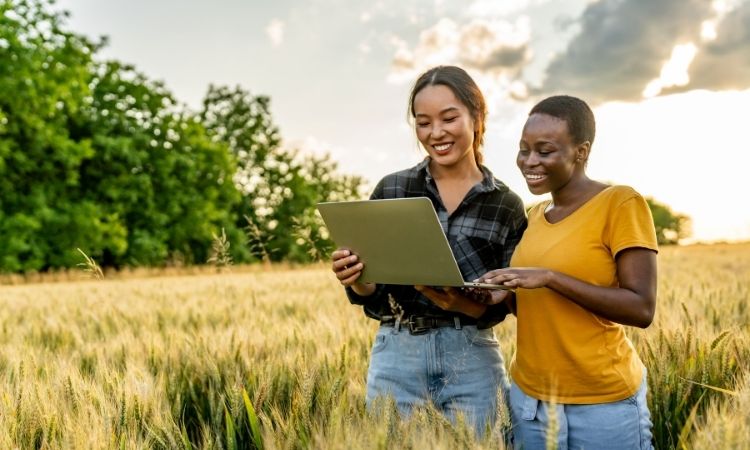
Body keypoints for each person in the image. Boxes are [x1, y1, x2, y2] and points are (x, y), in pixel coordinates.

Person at [330, 65, 527, 436]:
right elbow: (371, 294)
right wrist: (356, 278)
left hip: (472, 354)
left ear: (477, 115)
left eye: (449, 118)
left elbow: (510, 301)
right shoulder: (393, 189)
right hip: (397, 354)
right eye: (423, 123)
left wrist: (467, 302)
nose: (436, 133)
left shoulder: (506, 204)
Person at [480, 95, 658, 449]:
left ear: (581, 150)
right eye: (523, 149)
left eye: (544, 151)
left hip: (602, 402)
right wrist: (508, 295)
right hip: (531, 400)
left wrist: (551, 278)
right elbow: (542, 307)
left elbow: (641, 309)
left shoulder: (620, 203)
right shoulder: (534, 216)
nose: (530, 161)